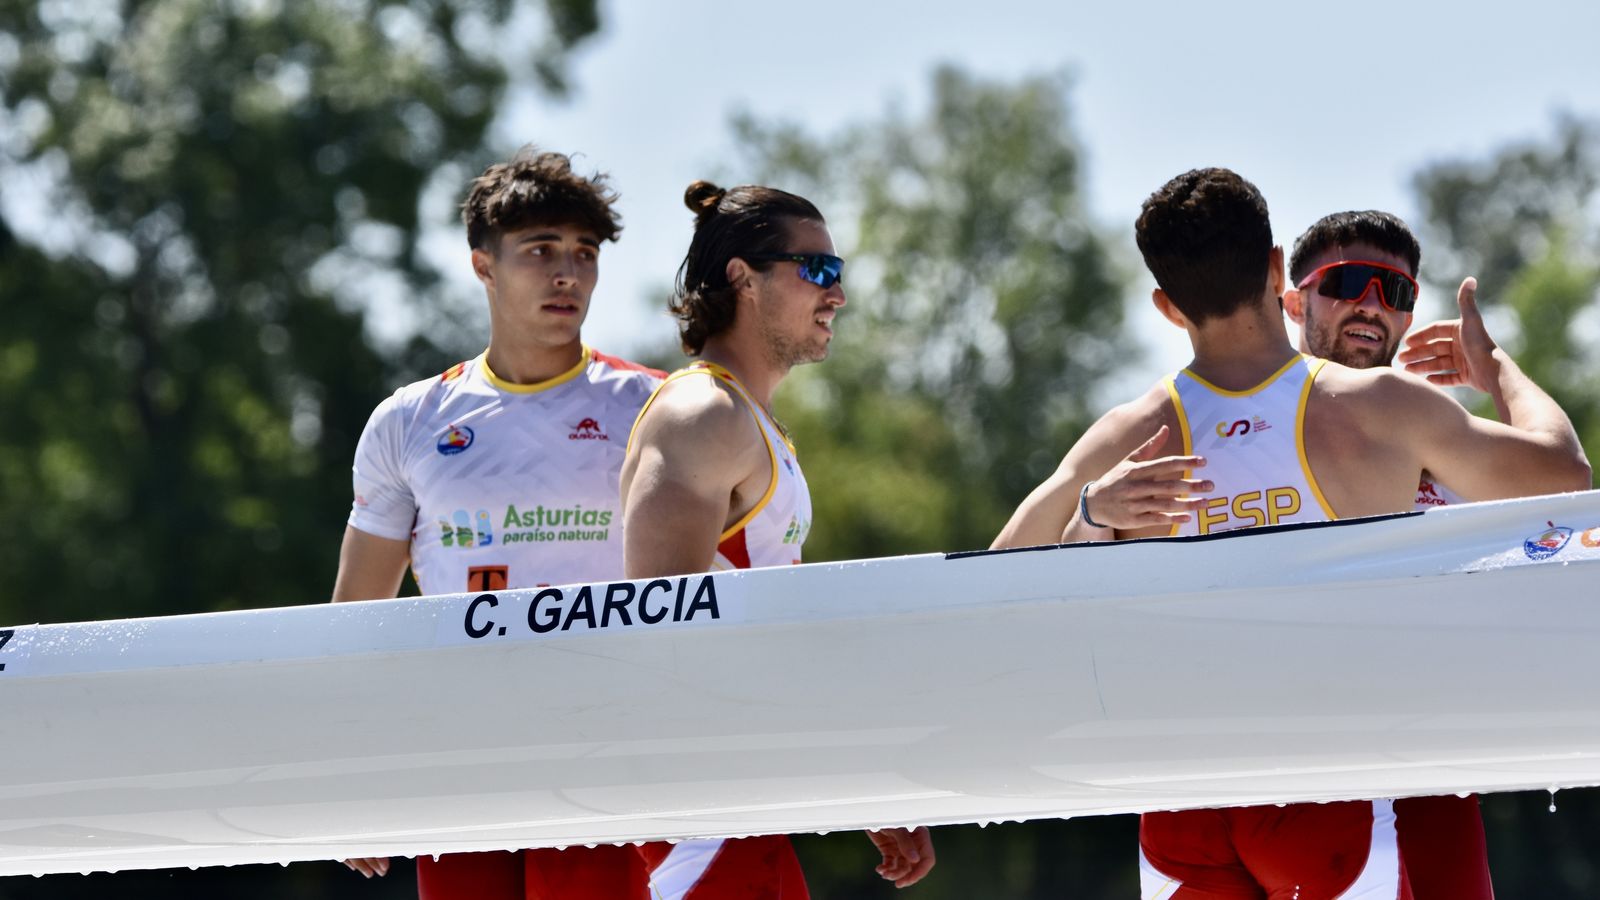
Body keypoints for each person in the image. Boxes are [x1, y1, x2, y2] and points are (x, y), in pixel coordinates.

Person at [994, 168, 1589, 898]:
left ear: (1164, 304)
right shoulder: (1377, 408)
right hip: (1334, 774)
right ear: (1282, 276)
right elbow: (1566, 476)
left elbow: (995, 583)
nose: (1373, 306)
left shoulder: (1131, 433)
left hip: (1185, 800)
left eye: (1394, 292)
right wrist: (1495, 366)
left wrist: (1090, 514)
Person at [330, 147, 664, 900]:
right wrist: (348, 773)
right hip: (459, 756)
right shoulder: (409, 421)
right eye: (540, 252)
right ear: (484, 266)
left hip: (606, 754)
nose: (567, 275)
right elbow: (357, 622)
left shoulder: (655, 408)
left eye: (584, 254)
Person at [619, 180, 936, 898]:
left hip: (732, 788)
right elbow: (664, 637)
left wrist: (856, 782)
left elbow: (765, 637)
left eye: (839, 273)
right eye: (818, 272)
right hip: (701, 802)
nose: (839, 295)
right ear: (743, 279)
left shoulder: (746, 418)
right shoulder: (702, 413)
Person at [1284, 209, 1542, 898]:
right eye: (1347, 282)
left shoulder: (1436, 437)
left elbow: (1562, 489)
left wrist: (1496, 373)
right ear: (1292, 300)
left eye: (1393, 291)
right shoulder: (1236, 422)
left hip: (1432, 780)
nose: (1371, 304)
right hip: (1288, 773)